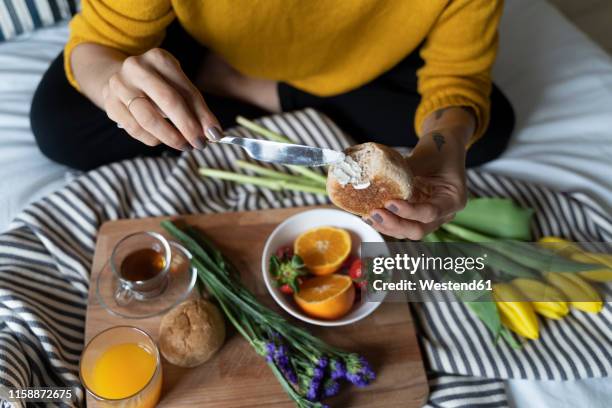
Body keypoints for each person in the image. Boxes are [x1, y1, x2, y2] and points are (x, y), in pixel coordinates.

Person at [30, 0, 514, 240]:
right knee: (59, 123)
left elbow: (458, 76)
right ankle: (234, 83)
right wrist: (119, 84)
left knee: (485, 130)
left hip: (360, 60)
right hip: (200, 41)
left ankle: (237, 87)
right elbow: (98, 43)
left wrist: (445, 143)